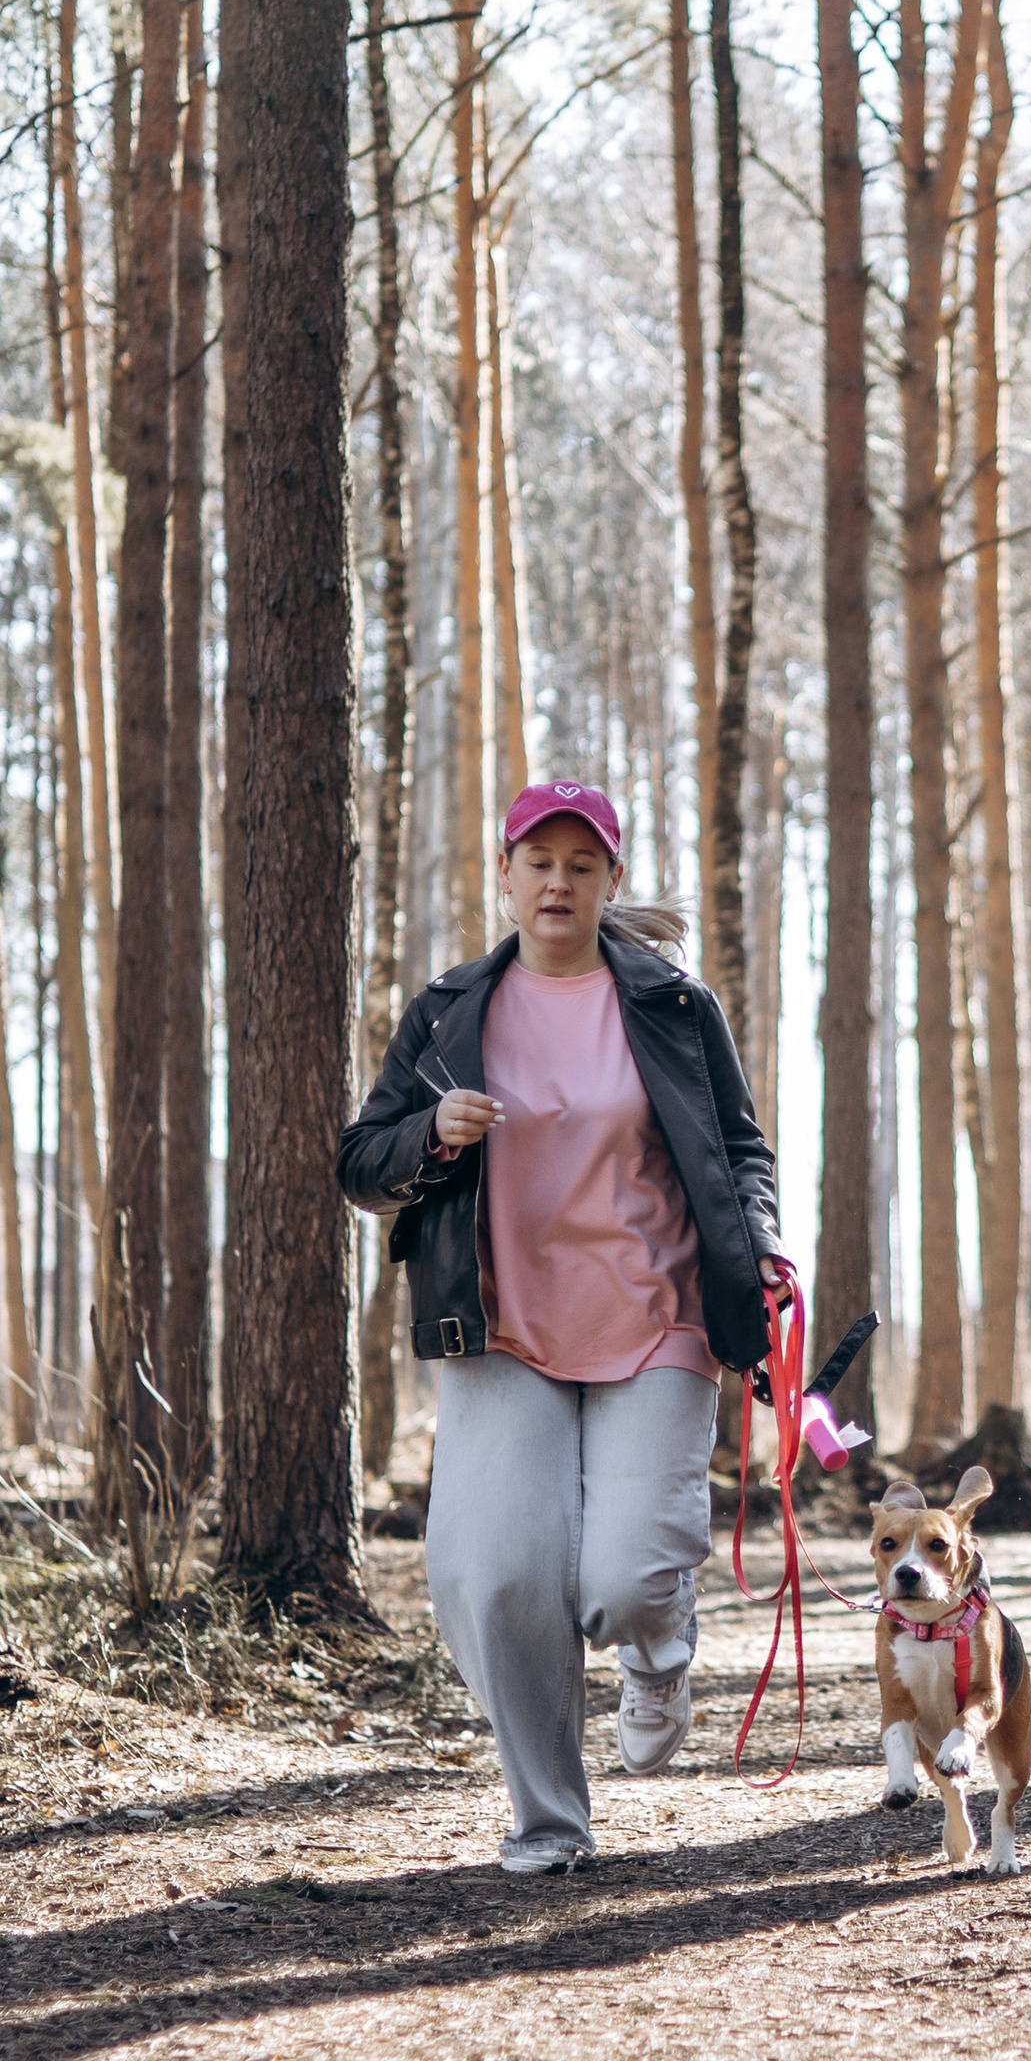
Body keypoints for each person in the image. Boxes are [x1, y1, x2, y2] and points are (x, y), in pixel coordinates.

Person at [339, 780, 789, 1873]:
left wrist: (764, 1247)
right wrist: (431, 1134)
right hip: (501, 1326)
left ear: (609, 881)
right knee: (495, 1578)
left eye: (581, 864)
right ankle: (548, 1822)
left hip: (658, 1313)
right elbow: (360, 1163)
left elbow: (740, 1150)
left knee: (625, 1579)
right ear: (505, 875)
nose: (557, 881)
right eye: (537, 861)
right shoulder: (449, 1010)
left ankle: (658, 1647)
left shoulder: (675, 1006)